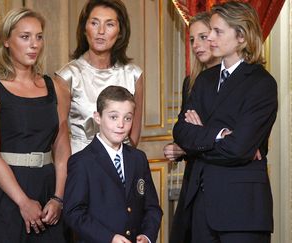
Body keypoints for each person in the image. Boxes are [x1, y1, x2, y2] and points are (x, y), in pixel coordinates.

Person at [173, 1, 277, 243]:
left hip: (242, 211)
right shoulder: (203, 80)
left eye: (218, 32)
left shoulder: (262, 84)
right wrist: (220, 135)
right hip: (201, 207)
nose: (210, 37)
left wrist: (199, 141)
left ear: (241, 36)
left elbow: (239, 149)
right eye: (211, 30)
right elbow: (181, 132)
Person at [0, 8, 70, 243]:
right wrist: (23, 202)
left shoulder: (56, 87)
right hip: (5, 193)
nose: (34, 44)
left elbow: (63, 150)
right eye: (25, 37)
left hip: (47, 192)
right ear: (6, 41)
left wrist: (58, 198)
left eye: (39, 36)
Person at [63, 85, 162, 243]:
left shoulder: (138, 159)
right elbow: (73, 213)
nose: (121, 125)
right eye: (113, 117)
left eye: (127, 118)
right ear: (98, 117)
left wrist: (147, 236)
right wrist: (109, 238)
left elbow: (152, 208)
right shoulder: (82, 162)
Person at [55, 0, 144, 154]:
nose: (101, 31)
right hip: (81, 165)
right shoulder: (67, 76)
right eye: (95, 23)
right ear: (84, 28)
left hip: (121, 165)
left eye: (109, 24)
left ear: (120, 32)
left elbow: (134, 133)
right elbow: (58, 138)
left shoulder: (133, 74)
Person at [164, 12, 221, 243]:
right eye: (192, 39)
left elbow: (234, 140)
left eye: (203, 36)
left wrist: (189, 145)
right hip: (193, 182)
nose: (196, 45)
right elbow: (183, 131)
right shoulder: (191, 82)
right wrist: (184, 144)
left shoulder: (238, 81)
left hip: (222, 181)